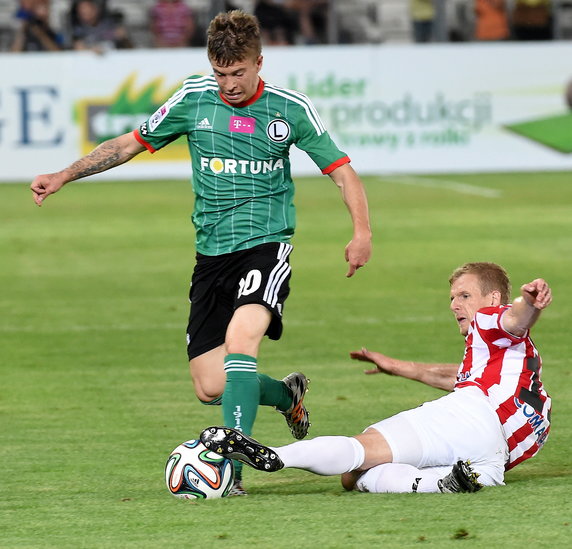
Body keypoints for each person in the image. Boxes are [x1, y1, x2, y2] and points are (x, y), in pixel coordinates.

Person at [30, 10, 372, 496]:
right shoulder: (194, 98)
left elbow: (343, 172)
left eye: (237, 73)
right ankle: (286, 394)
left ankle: (231, 465)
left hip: (264, 245)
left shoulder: (288, 108)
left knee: (241, 341)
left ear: (259, 61)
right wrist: (65, 174)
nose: (229, 84)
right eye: (220, 73)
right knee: (211, 386)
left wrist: (362, 232)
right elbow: (129, 143)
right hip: (211, 256)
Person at [201, 262, 552, 494]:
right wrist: (397, 366)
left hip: (471, 418)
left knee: (361, 452)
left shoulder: (491, 318)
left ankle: (275, 456)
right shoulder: (514, 367)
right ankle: (437, 485)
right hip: (492, 462)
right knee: (355, 477)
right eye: (452, 298)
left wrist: (530, 303)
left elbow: (515, 318)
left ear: (492, 299)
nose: (454, 305)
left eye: (464, 296)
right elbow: (461, 377)